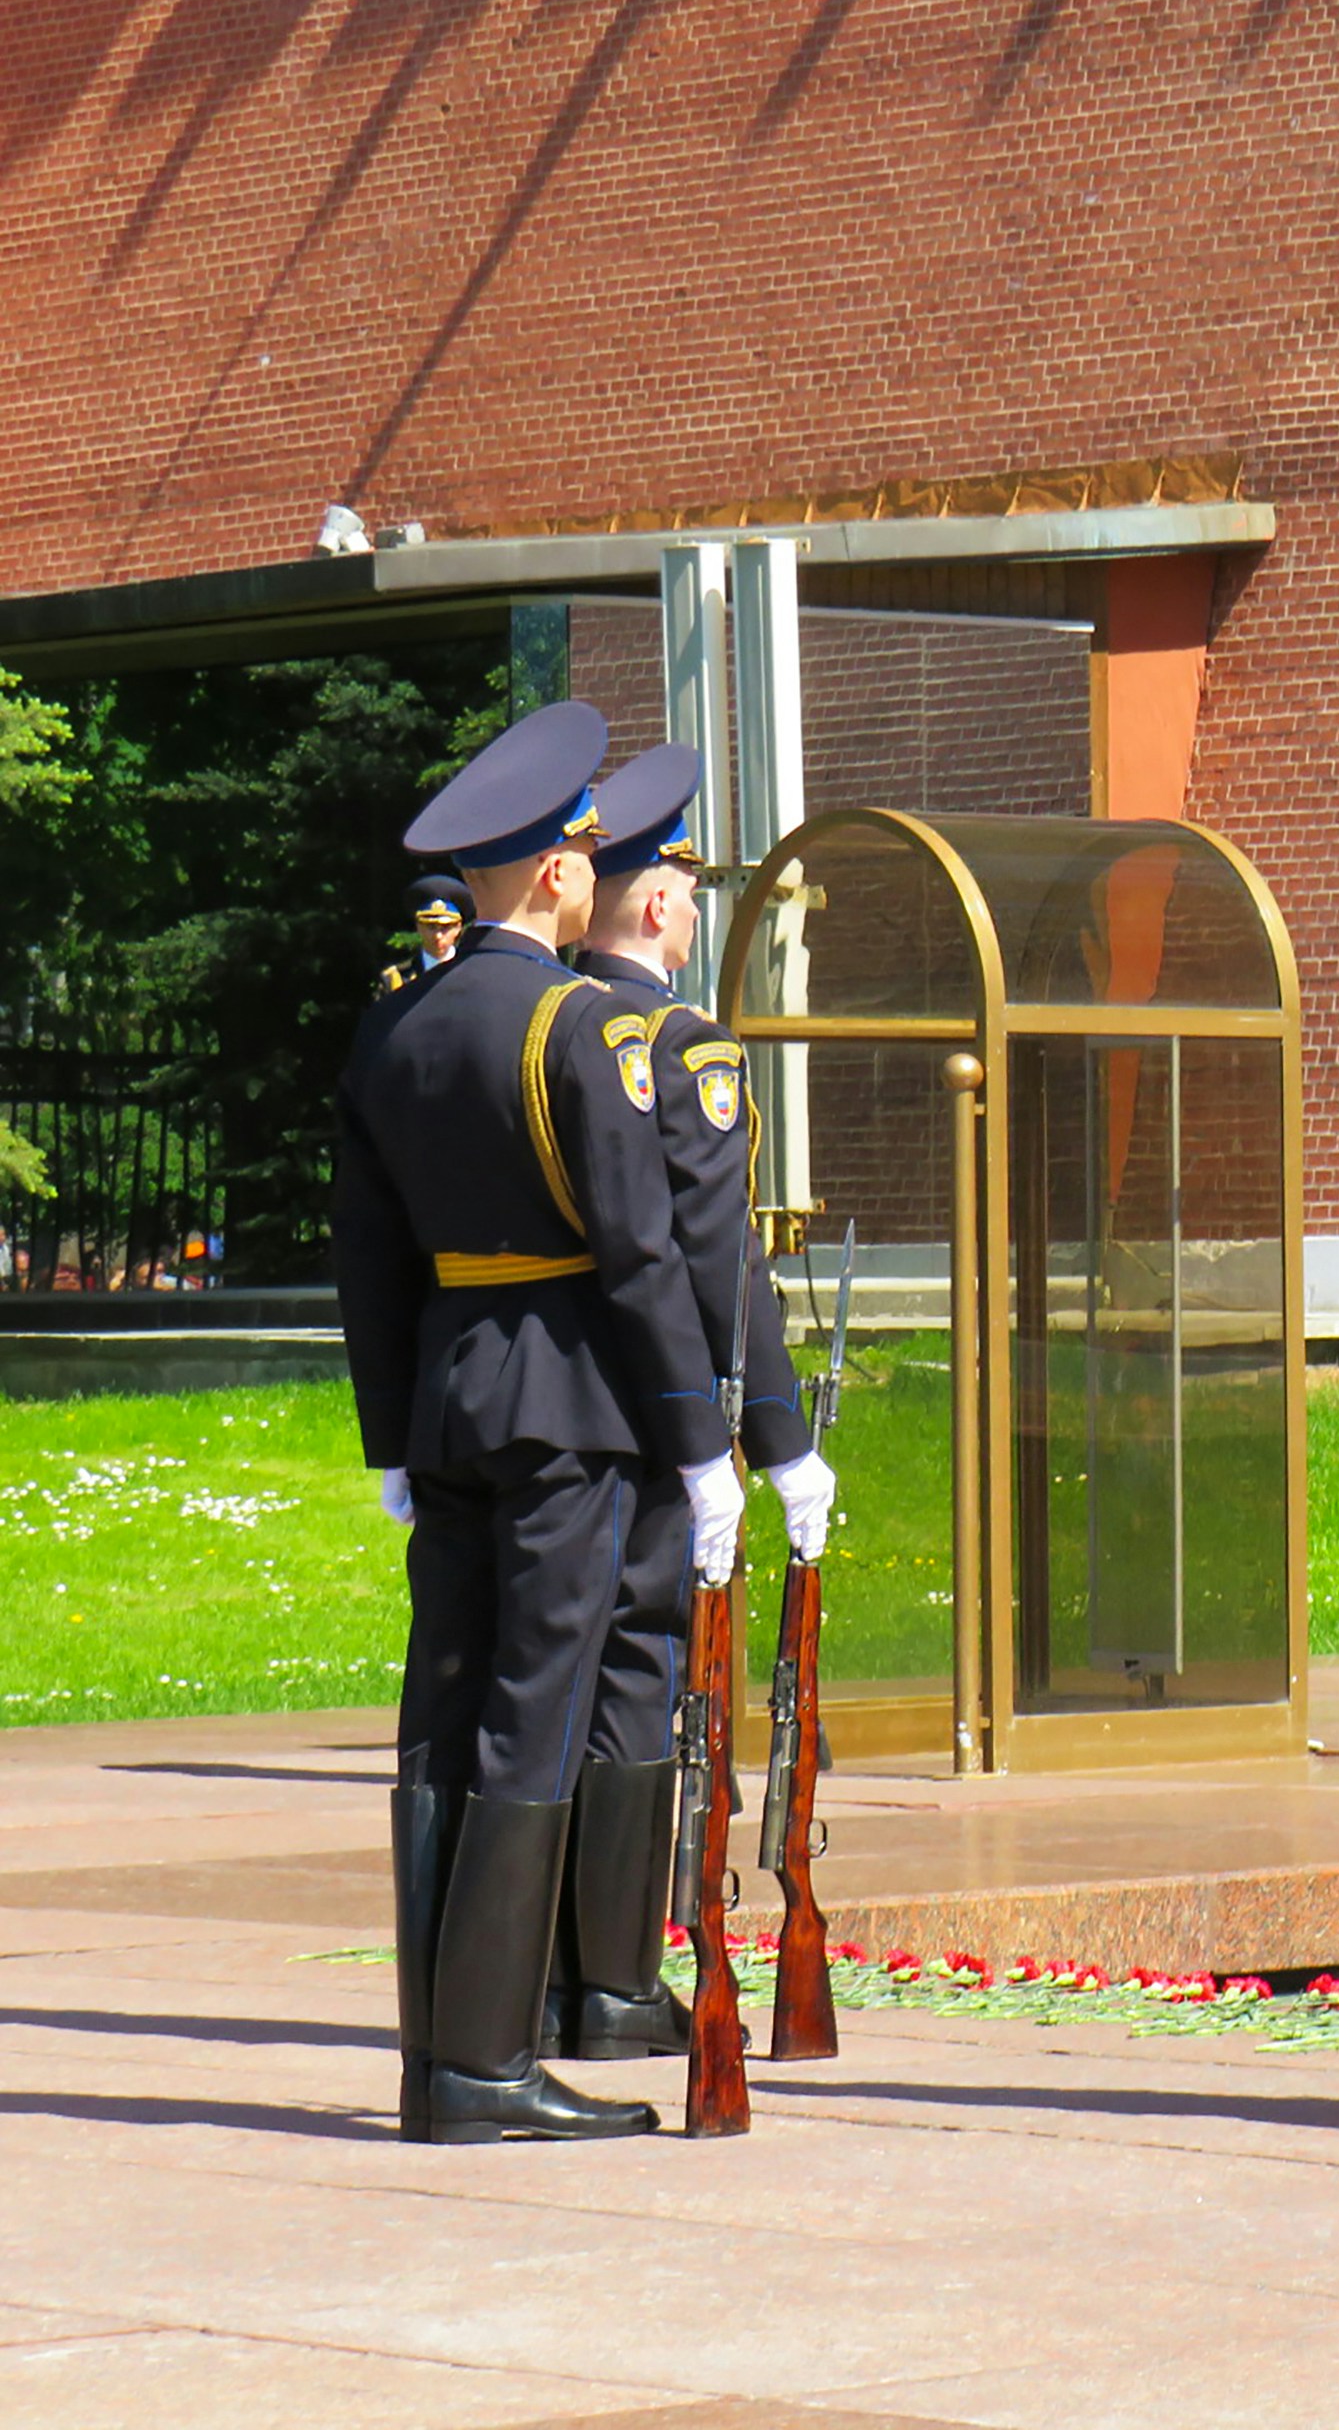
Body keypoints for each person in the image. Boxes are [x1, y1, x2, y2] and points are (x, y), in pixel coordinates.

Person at [331, 700, 742, 2145]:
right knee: (536, 1714)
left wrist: (390, 1435)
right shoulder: (576, 1026)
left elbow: (368, 1256)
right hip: (571, 1408)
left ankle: (436, 2056)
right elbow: (637, 1254)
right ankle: (485, 2067)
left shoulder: (398, 1029)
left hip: (449, 1400)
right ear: (562, 875)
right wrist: (701, 1446)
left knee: (439, 1717)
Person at [556, 741, 837, 2059]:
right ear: (663, 905)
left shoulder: (542, 1028)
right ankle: (614, 1983)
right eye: (683, 885)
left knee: (541, 1687)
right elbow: (718, 1266)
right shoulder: (680, 1047)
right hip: (655, 1428)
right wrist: (774, 1448)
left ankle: (552, 1974)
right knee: (639, 1681)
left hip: (546, 1416)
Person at [376, 874, 472, 994]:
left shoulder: (473, 973)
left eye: (445, 928)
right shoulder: (396, 979)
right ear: (418, 926)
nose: (438, 936)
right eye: (431, 927)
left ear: (458, 928)